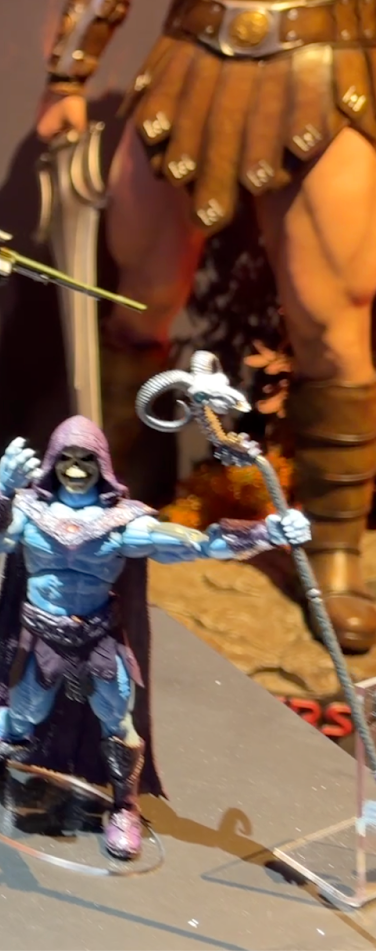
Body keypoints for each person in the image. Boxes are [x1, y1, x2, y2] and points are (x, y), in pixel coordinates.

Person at [38, 0, 376, 652]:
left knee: (332, 326)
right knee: (140, 301)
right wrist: (67, 74)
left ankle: (334, 552)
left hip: (329, 68)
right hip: (191, 62)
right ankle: (101, 512)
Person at [0, 416, 311, 859]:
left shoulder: (122, 524)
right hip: (43, 639)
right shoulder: (30, 513)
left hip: (97, 642)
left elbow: (198, 544)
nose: (75, 469)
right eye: (67, 459)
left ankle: (124, 806)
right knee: (22, 718)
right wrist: (2, 488)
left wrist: (267, 532)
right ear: (53, 462)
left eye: (86, 460)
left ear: (103, 465)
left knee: (117, 724)